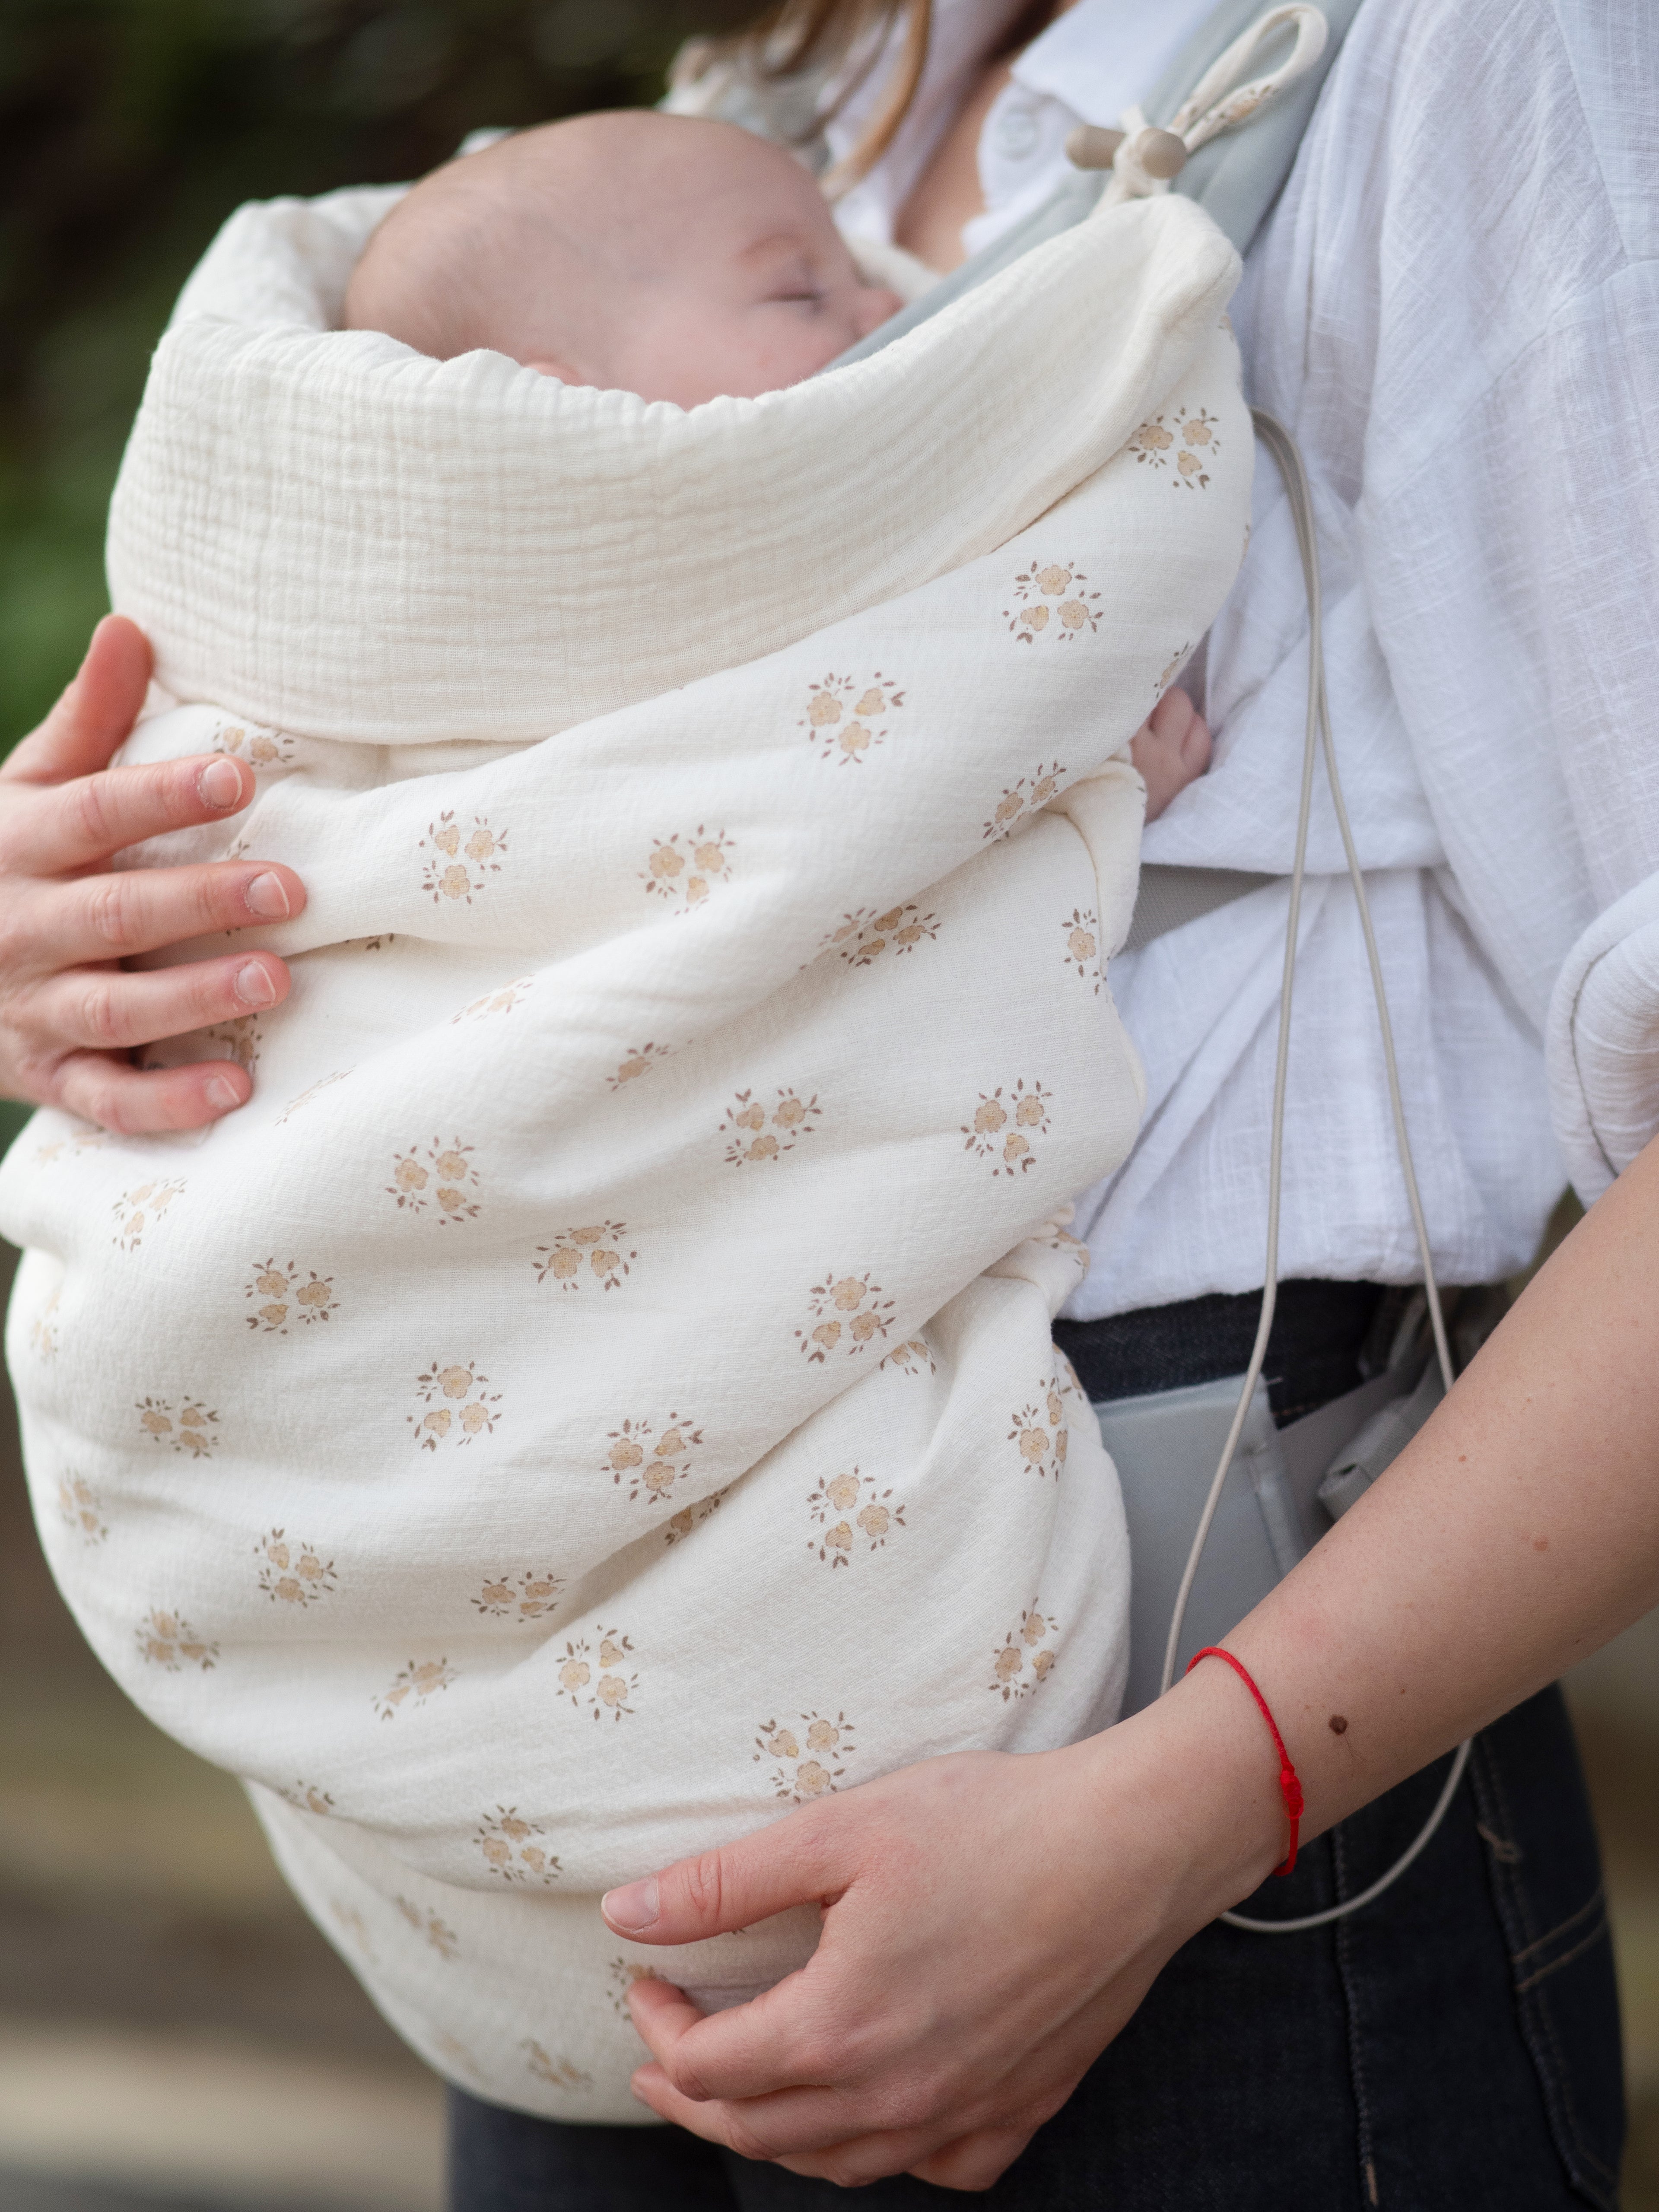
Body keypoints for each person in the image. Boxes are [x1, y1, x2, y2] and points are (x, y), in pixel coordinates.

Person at [1, 0, 1654, 2203]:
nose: (869, 324)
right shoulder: (779, 101)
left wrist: (1175, 1811)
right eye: (824, 300)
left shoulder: (1477, 57)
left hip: (1187, 1773)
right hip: (568, 1784)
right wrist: (153, 920)